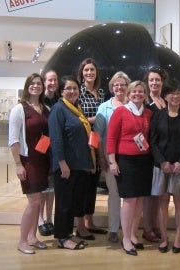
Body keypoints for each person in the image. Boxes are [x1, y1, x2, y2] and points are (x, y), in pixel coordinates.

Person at [107, 81, 153, 256]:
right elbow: (111, 138)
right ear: (129, 93)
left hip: (144, 161)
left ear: (145, 94)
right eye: (134, 91)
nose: (137, 94)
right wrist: (112, 161)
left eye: (141, 91)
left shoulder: (148, 113)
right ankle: (125, 238)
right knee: (129, 201)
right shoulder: (121, 111)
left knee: (140, 200)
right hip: (126, 161)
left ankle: (133, 235)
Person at [49, 75, 94, 250]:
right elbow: (56, 139)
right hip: (66, 166)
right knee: (63, 203)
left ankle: (68, 234)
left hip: (78, 166)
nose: (73, 91)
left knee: (72, 202)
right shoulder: (58, 109)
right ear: (61, 92)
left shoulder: (76, 109)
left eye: (75, 88)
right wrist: (62, 163)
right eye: (69, 88)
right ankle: (61, 237)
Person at [150, 79, 180, 254]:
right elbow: (152, 141)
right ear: (165, 96)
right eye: (171, 93)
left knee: (179, 201)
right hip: (161, 165)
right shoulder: (158, 115)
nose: (175, 96)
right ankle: (163, 238)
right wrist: (162, 161)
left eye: (178, 93)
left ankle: (177, 238)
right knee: (162, 201)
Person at [9, 73, 50, 254]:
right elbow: (13, 140)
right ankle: (22, 240)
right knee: (33, 201)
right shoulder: (19, 109)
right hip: (28, 161)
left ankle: (33, 237)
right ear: (27, 86)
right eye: (32, 83)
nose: (36, 86)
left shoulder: (45, 108)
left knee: (39, 201)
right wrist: (18, 163)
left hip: (43, 160)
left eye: (39, 83)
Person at [94, 71, 131, 243]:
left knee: (131, 196)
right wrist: (103, 159)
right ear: (111, 87)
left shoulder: (134, 105)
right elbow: (99, 136)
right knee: (114, 194)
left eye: (123, 84)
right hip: (111, 159)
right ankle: (114, 229)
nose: (119, 87)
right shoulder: (104, 108)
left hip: (131, 158)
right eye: (116, 84)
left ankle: (129, 230)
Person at [77, 58, 107, 239]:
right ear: (81, 72)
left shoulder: (102, 92)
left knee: (93, 184)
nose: (89, 73)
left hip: (98, 143)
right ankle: (80, 225)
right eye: (86, 70)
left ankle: (90, 221)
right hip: (83, 144)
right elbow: (76, 119)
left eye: (92, 70)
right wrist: (95, 119)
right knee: (82, 185)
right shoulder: (78, 92)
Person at [141, 67, 169, 242]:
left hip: (162, 154)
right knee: (149, 194)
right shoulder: (144, 102)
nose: (154, 83)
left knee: (159, 193)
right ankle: (147, 227)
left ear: (162, 82)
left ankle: (157, 225)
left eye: (157, 80)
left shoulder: (166, 101)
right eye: (151, 80)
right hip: (147, 153)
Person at [37, 70, 59, 237]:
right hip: (40, 148)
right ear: (45, 82)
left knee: (51, 188)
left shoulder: (57, 100)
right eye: (49, 80)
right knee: (41, 188)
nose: (52, 83)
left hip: (53, 149)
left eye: (54, 80)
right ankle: (39, 220)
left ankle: (49, 219)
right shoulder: (39, 101)